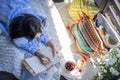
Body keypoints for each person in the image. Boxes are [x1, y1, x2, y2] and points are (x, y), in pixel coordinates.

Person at [0, 0, 59, 65]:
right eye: (36, 36)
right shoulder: (19, 35)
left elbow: (40, 31)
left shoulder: (34, 18)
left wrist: (52, 45)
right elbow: (25, 45)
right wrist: (39, 54)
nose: (39, 37)